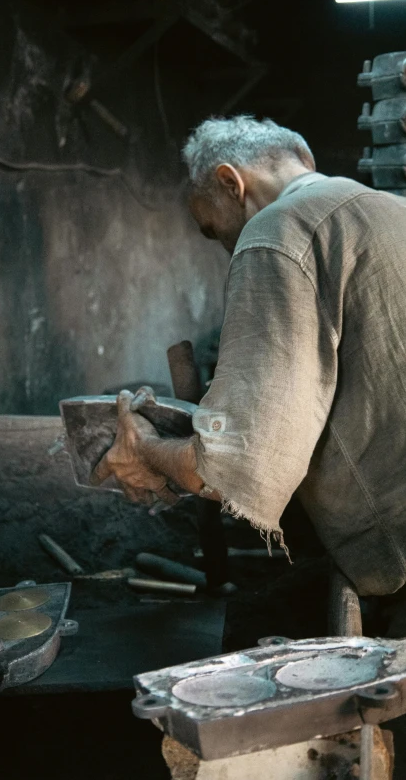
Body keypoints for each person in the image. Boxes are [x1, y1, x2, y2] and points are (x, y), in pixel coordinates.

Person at [92, 114, 406, 601]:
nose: (224, 245)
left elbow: (236, 468)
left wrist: (145, 449)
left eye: (212, 229)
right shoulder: (390, 208)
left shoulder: (276, 233)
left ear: (229, 181)